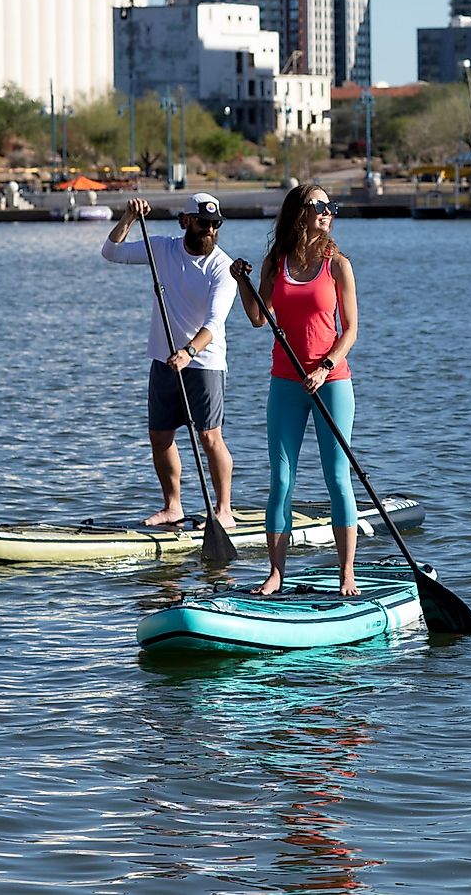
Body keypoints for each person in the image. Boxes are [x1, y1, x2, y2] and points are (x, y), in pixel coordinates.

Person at [231, 185, 361, 596]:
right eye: (319, 206)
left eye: (331, 207)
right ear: (298, 212)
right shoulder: (277, 262)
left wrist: (325, 368)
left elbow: (351, 331)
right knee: (281, 480)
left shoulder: (337, 265)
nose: (327, 212)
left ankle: (347, 574)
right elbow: (256, 317)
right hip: (285, 382)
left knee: (337, 479)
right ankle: (275, 574)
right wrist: (242, 282)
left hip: (331, 382)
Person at [101, 193, 240, 531]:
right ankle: (172, 507)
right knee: (160, 436)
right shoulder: (162, 248)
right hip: (164, 360)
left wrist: (189, 351)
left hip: (204, 362)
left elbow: (214, 322)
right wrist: (129, 218)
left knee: (210, 437)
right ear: (185, 221)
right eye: (204, 223)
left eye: (215, 225)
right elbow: (111, 252)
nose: (210, 230)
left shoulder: (223, 267)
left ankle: (223, 509)